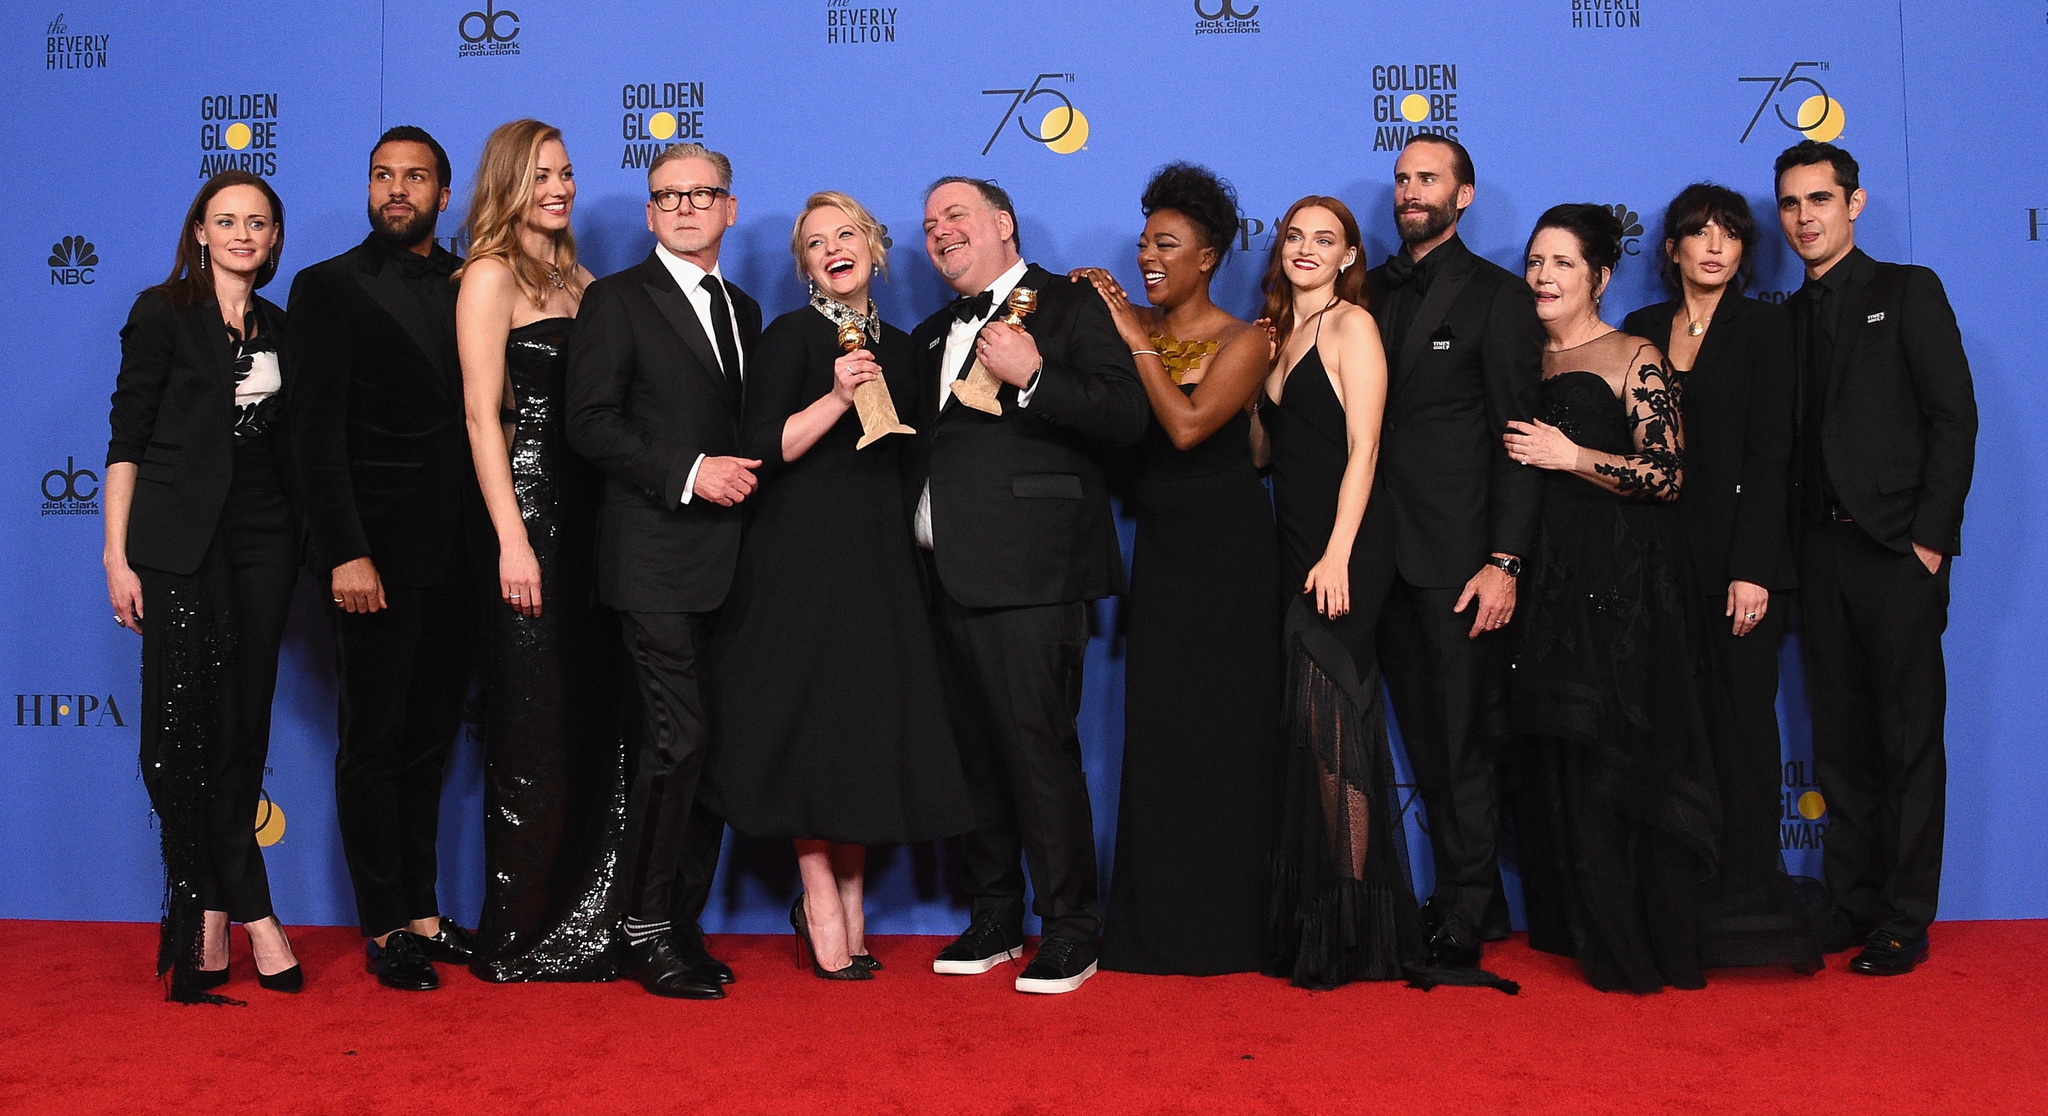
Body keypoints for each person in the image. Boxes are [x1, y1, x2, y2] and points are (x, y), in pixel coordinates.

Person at [700, 191, 974, 980]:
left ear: (876, 250)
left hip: (882, 562)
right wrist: (835, 397)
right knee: (813, 727)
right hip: (801, 560)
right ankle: (819, 898)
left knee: (859, 731)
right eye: (815, 243)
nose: (833, 249)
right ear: (805, 267)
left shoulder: (907, 344)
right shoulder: (791, 337)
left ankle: (850, 897)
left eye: (845, 234)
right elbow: (760, 449)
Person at [909, 176, 1151, 995]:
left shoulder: (1071, 306)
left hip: (1035, 573)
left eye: (956, 215)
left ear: (1004, 225)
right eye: (930, 222)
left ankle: (1072, 928)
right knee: (974, 756)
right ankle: (996, 913)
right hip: (945, 574)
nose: (939, 230)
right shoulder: (932, 331)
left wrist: (1036, 376)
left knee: (1039, 753)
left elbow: (1127, 417)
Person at [286, 126, 488, 992]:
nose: (395, 189)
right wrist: (344, 553)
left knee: (429, 742)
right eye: (382, 176)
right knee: (372, 740)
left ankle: (425, 912)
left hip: (464, 558)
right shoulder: (326, 288)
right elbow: (312, 439)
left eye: (414, 177)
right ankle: (382, 928)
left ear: (445, 196)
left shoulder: (477, 284)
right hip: (374, 559)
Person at [1068, 163, 1283, 977]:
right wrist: (1095, 318)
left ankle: (1230, 931)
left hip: (1229, 561)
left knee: (1227, 746)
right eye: (1145, 241)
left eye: (1169, 243)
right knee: (1160, 744)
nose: (1149, 254)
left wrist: (1131, 336)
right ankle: (1150, 930)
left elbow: (1190, 427)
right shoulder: (1129, 326)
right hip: (1158, 557)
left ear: (1209, 257)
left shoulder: (1247, 338)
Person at [1503, 204, 1717, 993]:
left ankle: (1639, 936)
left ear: (1599, 275)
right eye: (1535, 262)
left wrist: (1571, 454)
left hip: (1622, 587)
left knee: (1618, 748)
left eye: (1562, 263)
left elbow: (1666, 475)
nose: (1544, 277)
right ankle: (1577, 923)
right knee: (1559, 750)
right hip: (1543, 578)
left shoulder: (1635, 354)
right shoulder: (1516, 358)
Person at [1775, 140, 1976, 976]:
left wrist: (1928, 540)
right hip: (1816, 557)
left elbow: (1953, 419)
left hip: (1896, 554)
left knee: (1906, 740)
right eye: (1789, 204)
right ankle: (1852, 902)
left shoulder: (1906, 290)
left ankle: (1904, 915)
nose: (1803, 218)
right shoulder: (1782, 320)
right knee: (1842, 743)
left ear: (1853, 206)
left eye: (1819, 200)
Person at [564, 142, 758, 1000]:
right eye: (666, 196)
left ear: (729, 208)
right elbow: (590, 423)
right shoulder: (615, 300)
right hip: (650, 560)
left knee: (707, 754)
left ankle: (680, 923)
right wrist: (691, 471)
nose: (683, 207)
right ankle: (642, 931)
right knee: (675, 743)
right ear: (649, 214)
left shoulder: (745, 310)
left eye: (700, 193)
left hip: (731, 568)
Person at [107, 171, 303, 1001]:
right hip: (177, 547)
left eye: (257, 223)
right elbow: (125, 438)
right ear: (199, 231)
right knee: (178, 740)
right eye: (226, 221)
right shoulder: (163, 313)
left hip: (265, 542)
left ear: (272, 238)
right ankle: (253, 910)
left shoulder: (284, 328)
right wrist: (117, 559)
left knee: (240, 732)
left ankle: (214, 917)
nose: (242, 235)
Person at [1620, 184, 1822, 974]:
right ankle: (1676, 893)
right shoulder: (1638, 330)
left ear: (1744, 252)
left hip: (1737, 569)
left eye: (1728, 234)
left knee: (1742, 730)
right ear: (1671, 248)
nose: (1713, 245)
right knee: (1669, 731)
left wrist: (1751, 571)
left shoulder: (1767, 328)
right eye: (1697, 232)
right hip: (1657, 568)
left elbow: (1773, 457)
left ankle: (1746, 890)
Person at [1364, 135, 1545, 968]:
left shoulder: (1501, 298)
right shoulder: (1365, 289)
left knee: (1466, 740)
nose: (1411, 191)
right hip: (1383, 559)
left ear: (1463, 196)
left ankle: (1466, 909)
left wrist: (1505, 561)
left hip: (1463, 560)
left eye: (1428, 179)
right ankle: (1481, 897)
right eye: (1402, 179)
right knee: (1430, 742)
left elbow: (1519, 440)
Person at [454, 119, 625, 982]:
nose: (559, 186)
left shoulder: (584, 280)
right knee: (531, 727)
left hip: (595, 519)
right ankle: (517, 936)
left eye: (566, 171)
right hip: (528, 512)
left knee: (592, 719)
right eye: (541, 173)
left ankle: (582, 929)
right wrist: (511, 537)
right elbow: (484, 416)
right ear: (509, 181)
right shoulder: (488, 275)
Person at [1251, 196, 1423, 988]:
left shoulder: (1352, 326)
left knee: (1336, 723)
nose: (1309, 249)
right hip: (1296, 547)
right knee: (1312, 729)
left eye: (1327, 239)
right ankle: (1326, 911)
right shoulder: (1278, 336)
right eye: (1296, 236)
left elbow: (1365, 448)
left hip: (1346, 548)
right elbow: (1265, 453)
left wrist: (1340, 554)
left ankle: (1354, 920)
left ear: (1351, 255)